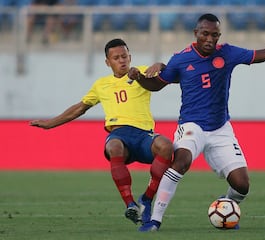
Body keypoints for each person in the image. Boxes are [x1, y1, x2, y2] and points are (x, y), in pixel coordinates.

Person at [127, 13, 265, 231]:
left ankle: (226, 205)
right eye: (205, 34)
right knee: (181, 161)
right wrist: (139, 77)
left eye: (215, 35)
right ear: (196, 34)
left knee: (242, 185)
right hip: (192, 125)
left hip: (221, 128)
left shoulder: (228, 53)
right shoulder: (181, 59)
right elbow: (156, 85)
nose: (210, 39)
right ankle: (154, 219)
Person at [29, 38, 173, 225]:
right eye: (116, 58)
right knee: (113, 146)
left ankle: (146, 198)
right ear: (108, 62)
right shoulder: (101, 85)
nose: (121, 60)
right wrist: (50, 124)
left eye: (124, 56)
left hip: (144, 135)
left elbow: (164, 72)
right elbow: (79, 108)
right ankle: (130, 204)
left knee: (167, 146)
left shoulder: (140, 71)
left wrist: (158, 64)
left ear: (130, 57)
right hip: (120, 135)